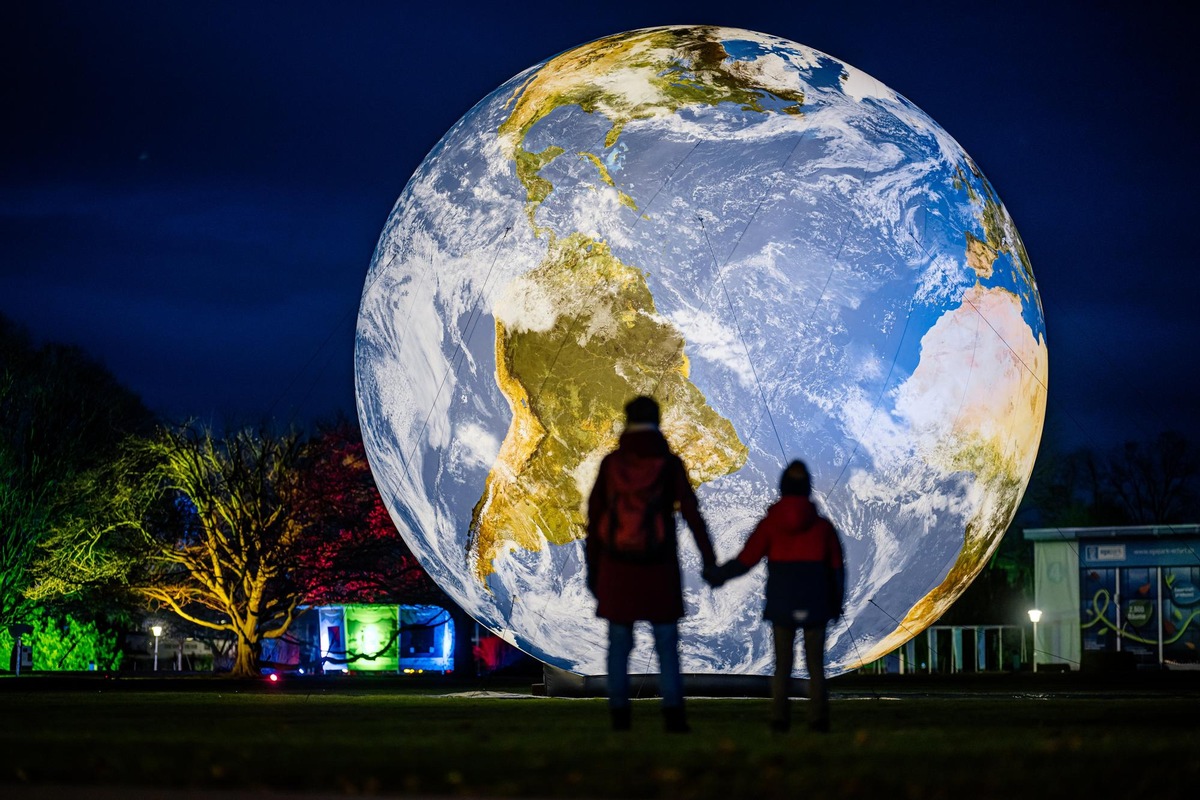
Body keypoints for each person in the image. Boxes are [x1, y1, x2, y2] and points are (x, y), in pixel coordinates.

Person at [586, 395, 717, 733]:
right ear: (657, 421)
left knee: (618, 645)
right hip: (659, 567)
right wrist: (709, 560)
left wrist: (594, 570)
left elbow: (596, 517)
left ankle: (619, 717)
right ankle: (673, 716)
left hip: (617, 567)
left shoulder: (612, 465)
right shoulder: (669, 463)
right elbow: (690, 511)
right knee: (666, 644)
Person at [705, 460, 845, 733]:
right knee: (816, 664)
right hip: (816, 603)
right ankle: (818, 721)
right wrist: (836, 604)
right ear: (807, 489)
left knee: (783, 664)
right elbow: (837, 568)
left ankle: (779, 720)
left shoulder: (771, 524)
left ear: (782, 487)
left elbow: (747, 560)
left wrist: (718, 575)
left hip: (782, 601)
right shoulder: (823, 528)